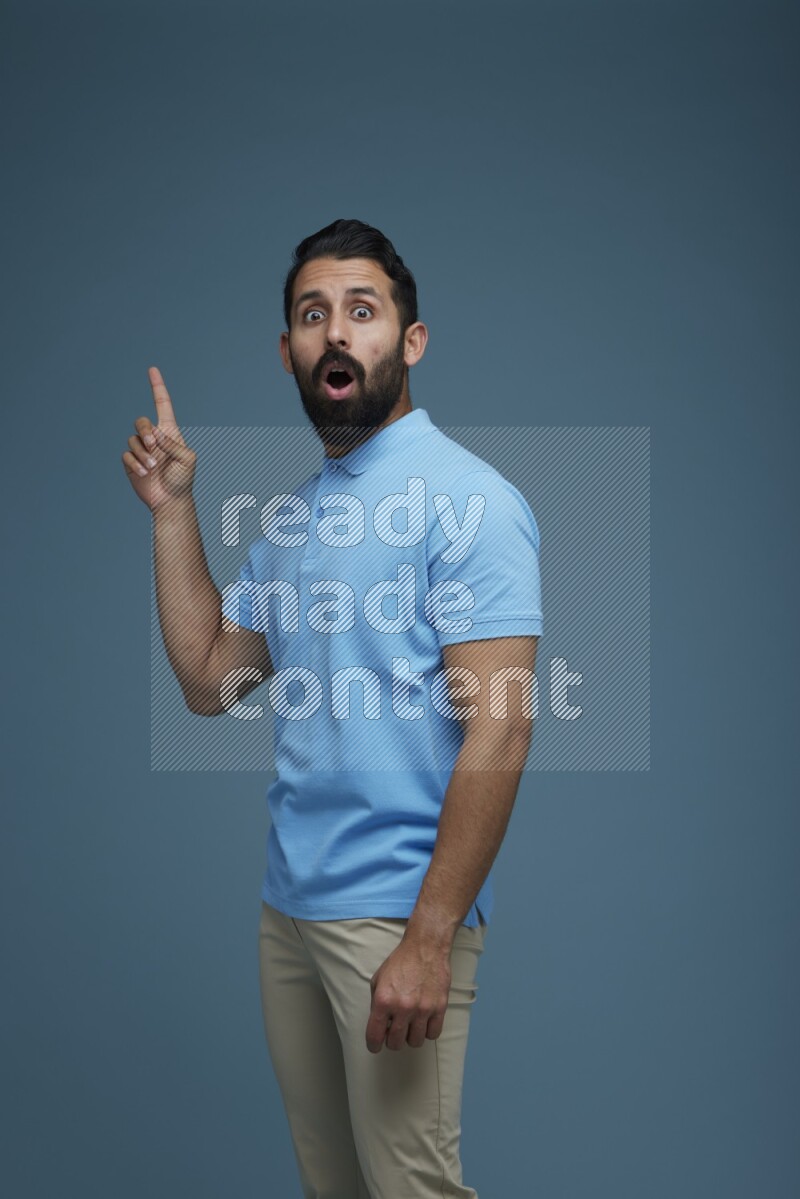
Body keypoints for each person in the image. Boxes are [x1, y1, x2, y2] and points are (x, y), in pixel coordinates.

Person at [122, 218, 543, 1199]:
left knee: (410, 1187)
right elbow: (207, 677)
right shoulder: (293, 520)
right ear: (289, 351)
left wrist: (429, 934)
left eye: (363, 309)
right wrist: (175, 510)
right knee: (335, 1188)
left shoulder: (466, 501)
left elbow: (503, 724)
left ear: (411, 338)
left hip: (395, 912)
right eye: (313, 315)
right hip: (291, 910)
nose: (336, 332)